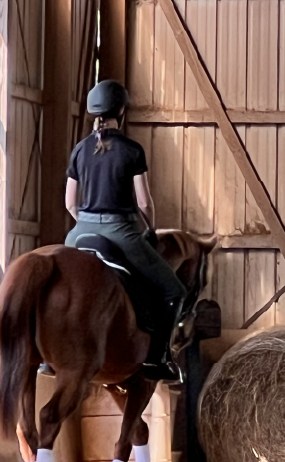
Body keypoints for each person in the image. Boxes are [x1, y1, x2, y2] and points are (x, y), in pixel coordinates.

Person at [59, 79, 186, 383]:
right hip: (121, 232)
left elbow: (69, 202)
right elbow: (143, 201)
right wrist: (150, 226)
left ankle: (51, 356)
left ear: (92, 113)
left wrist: (85, 221)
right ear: (121, 111)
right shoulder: (132, 150)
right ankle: (158, 356)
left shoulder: (79, 150)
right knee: (174, 290)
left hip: (79, 233)